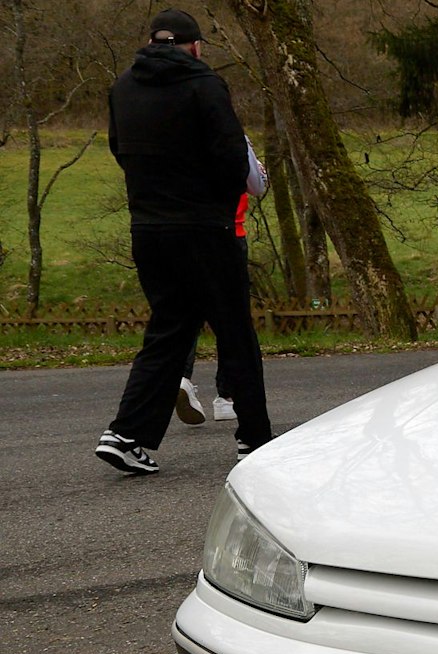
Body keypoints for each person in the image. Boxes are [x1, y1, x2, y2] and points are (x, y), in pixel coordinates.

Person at [96, 9, 273, 474]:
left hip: (148, 228)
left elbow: (119, 149)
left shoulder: (122, 88)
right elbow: (232, 156)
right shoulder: (205, 85)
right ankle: (254, 440)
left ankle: (126, 433)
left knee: (169, 330)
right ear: (194, 46)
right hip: (205, 228)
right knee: (235, 330)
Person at [177, 134, 268, 426]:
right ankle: (226, 395)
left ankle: (181, 376)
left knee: (189, 311)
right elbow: (258, 185)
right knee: (232, 318)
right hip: (230, 232)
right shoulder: (236, 138)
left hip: (182, 234)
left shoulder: (175, 138)